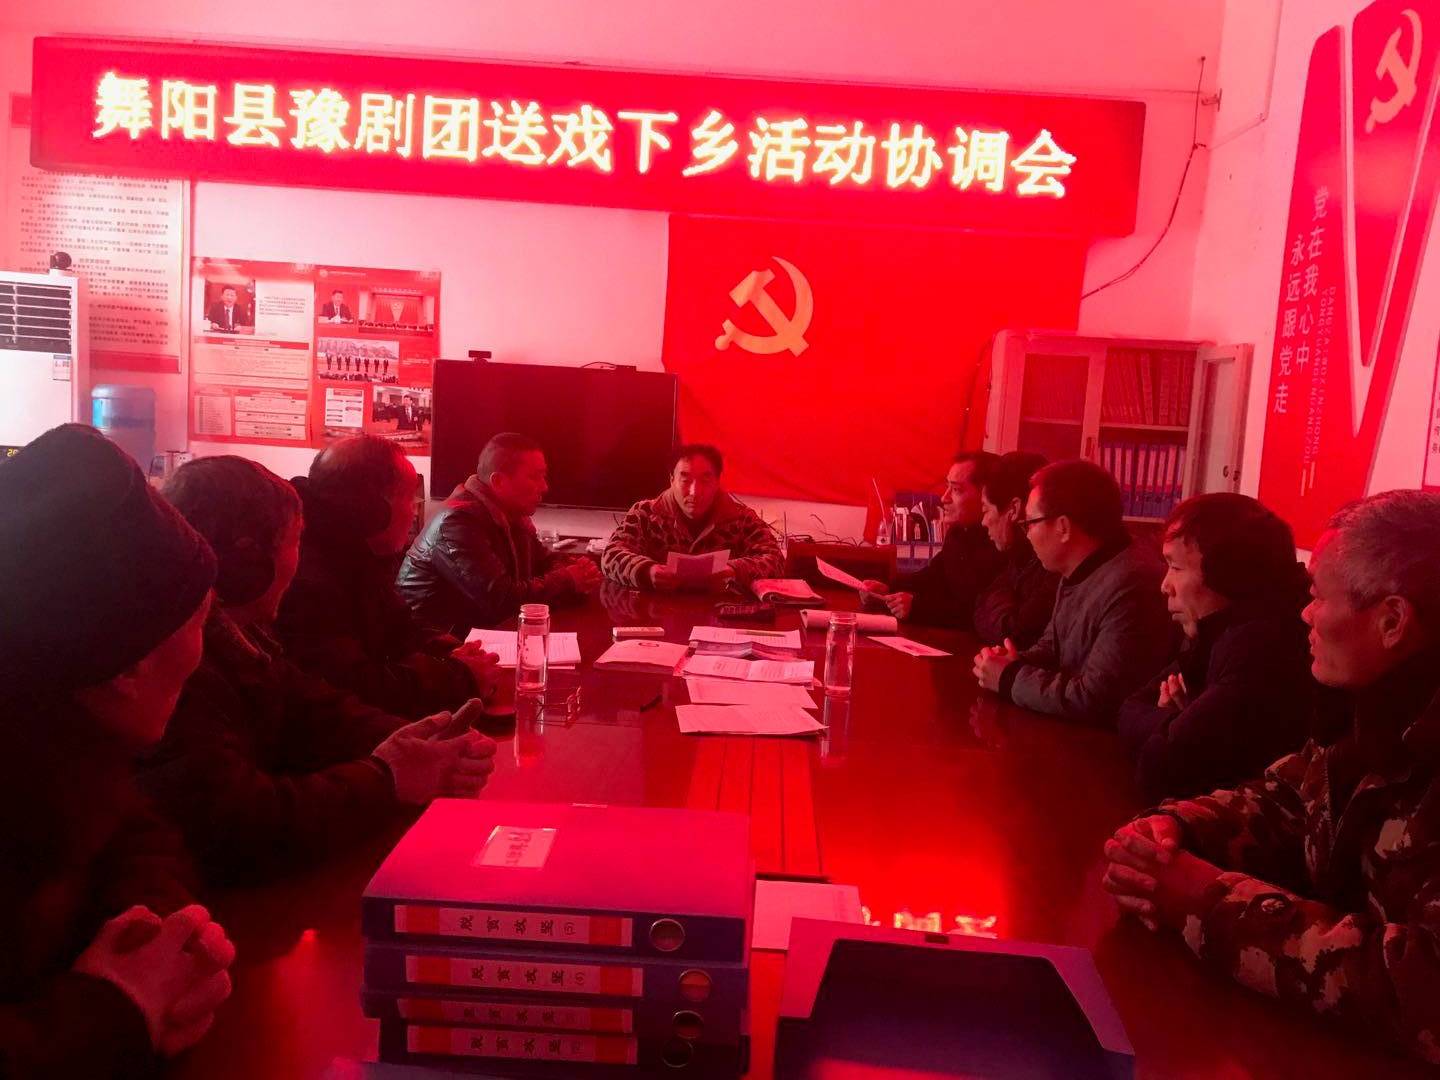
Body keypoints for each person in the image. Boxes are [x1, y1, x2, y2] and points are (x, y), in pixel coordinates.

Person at [1102, 491, 1440, 1065]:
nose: (1304, 614)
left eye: (1318, 597)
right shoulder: (1365, 710)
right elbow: (1284, 799)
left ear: (1391, 621)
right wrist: (1174, 830)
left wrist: (1207, 901)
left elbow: (1422, 987)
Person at [139, 456, 496, 885]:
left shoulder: (240, 635)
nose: (300, 560)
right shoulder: (176, 664)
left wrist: (418, 742)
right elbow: (238, 823)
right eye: (295, 541)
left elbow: (312, 708)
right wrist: (387, 778)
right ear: (247, 562)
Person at [0, 425, 235, 1074]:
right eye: (199, 622)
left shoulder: (71, 748)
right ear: (127, 666)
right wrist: (115, 1011)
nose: (203, 654)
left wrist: (156, 934)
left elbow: (137, 834)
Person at [276, 436, 502, 717]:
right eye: (409, 498)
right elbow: (358, 684)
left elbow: (399, 628)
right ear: (372, 510)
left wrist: (451, 653)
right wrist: (461, 678)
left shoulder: (355, 551)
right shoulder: (308, 579)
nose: (414, 511)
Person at [1117, 494, 1314, 801]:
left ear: (1228, 575)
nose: (1164, 585)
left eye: (1175, 567)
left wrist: (1177, 725)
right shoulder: (1217, 631)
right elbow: (1130, 706)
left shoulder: (1261, 648)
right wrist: (1175, 724)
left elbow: (1161, 770)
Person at [973, 459, 1170, 725]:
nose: (1027, 535)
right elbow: (1053, 647)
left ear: (1063, 527)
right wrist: (1010, 661)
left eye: (1030, 523)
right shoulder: (1079, 569)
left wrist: (1009, 677)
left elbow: (1095, 699)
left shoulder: (1132, 586)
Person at [398, 433, 602, 634]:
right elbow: (500, 601)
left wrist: (577, 573)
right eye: (534, 477)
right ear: (499, 482)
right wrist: (568, 579)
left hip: (480, 634)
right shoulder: (457, 522)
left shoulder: (513, 516)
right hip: (433, 643)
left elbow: (544, 563)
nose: (544, 487)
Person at [602, 444, 783, 591]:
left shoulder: (741, 518)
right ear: (671, 480)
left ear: (717, 481)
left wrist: (735, 570)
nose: (695, 492)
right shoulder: (645, 513)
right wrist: (646, 571)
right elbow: (611, 554)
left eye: (705, 480)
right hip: (654, 614)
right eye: (685, 480)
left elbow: (775, 559)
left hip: (721, 614)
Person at [862, 451, 1003, 627]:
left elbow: (978, 612)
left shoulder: (1001, 544)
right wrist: (888, 588)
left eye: (956, 490)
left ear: (986, 495)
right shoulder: (958, 532)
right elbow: (932, 575)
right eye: (947, 487)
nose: (944, 498)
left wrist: (918, 607)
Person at [972, 451, 1057, 649]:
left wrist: (996, 605)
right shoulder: (1019, 557)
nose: (983, 522)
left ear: (1014, 509)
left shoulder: (1053, 566)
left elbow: (1013, 635)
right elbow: (979, 605)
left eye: (985, 510)